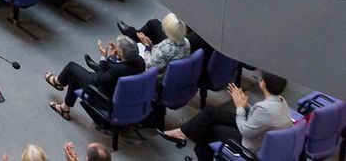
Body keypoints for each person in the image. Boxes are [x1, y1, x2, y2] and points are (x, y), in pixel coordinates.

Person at [159, 71, 291, 161]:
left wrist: (239, 107)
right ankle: (182, 132)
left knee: (209, 128)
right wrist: (245, 105)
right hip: (260, 136)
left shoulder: (265, 108)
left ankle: (195, 149)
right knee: (210, 111)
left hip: (251, 146)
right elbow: (259, 119)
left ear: (263, 83)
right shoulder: (281, 101)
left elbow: (246, 131)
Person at [44, 36, 146, 121]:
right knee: (77, 75)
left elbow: (99, 78)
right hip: (123, 96)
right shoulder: (140, 62)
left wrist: (104, 57)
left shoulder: (117, 69)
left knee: (72, 67)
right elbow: (115, 70)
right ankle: (64, 108)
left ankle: (58, 81)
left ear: (122, 53)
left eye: (118, 50)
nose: (115, 50)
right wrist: (115, 57)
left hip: (103, 96)